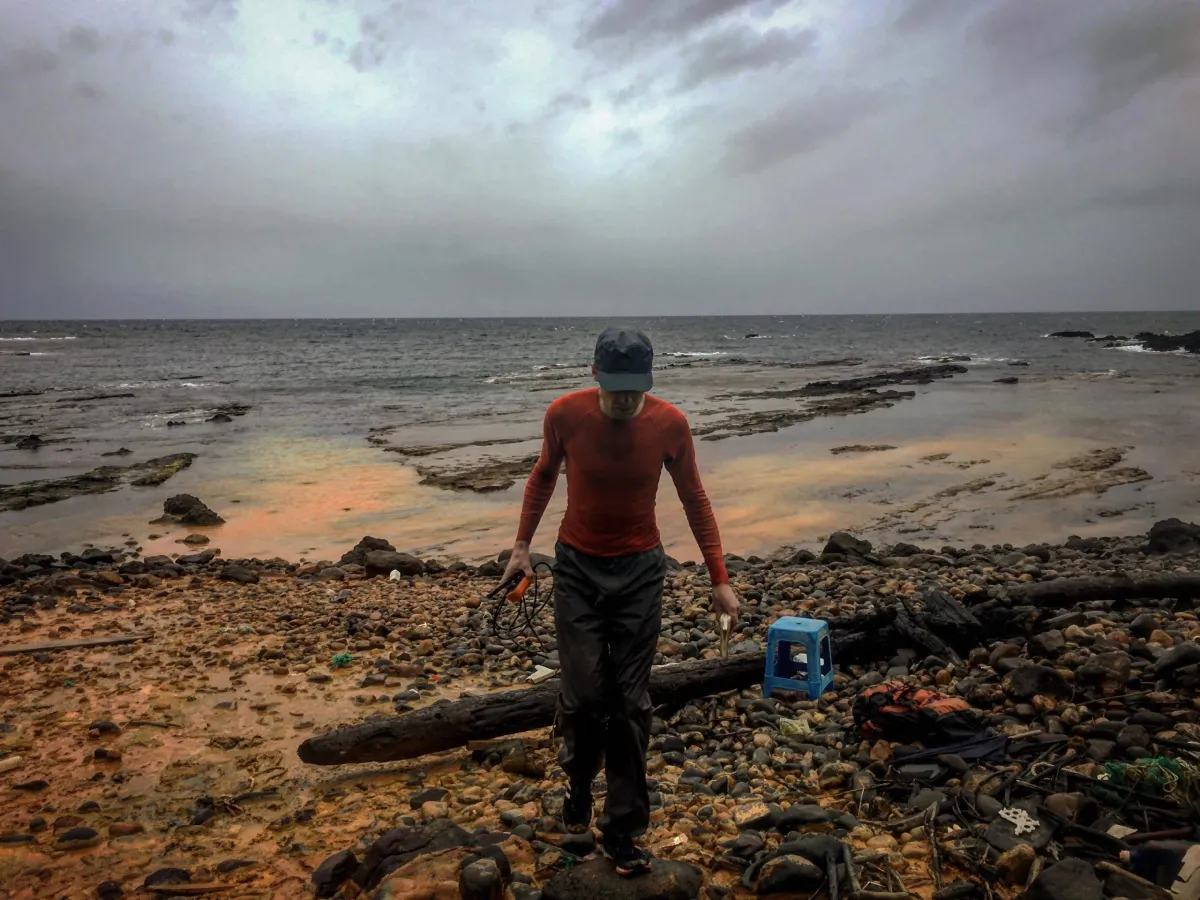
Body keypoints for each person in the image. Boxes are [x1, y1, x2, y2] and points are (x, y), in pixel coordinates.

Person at [500, 326, 739, 876]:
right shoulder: (564, 415)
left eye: (636, 388)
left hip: (640, 572)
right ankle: (580, 780)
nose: (627, 399)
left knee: (631, 704)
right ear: (594, 376)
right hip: (578, 568)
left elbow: (695, 499)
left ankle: (624, 828)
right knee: (583, 695)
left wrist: (718, 578)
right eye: (616, 388)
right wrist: (520, 548)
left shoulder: (670, 425)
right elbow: (541, 478)